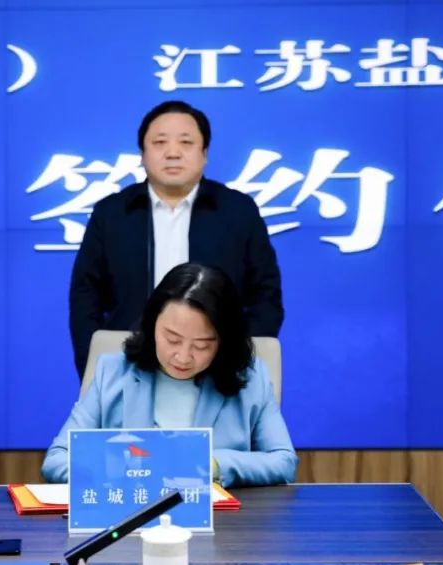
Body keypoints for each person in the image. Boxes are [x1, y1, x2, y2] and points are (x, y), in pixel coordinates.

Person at [68, 100, 283, 378]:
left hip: (217, 366)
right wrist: (96, 366)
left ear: (204, 153)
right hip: (128, 365)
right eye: (159, 142)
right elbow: (85, 296)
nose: (172, 153)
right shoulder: (112, 213)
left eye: (186, 142)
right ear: (142, 154)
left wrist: (239, 361)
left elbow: (266, 294)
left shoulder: (238, 211)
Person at [43, 263, 295, 487]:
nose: (183, 357)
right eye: (172, 339)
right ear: (152, 324)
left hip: (220, 521)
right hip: (128, 516)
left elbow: (283, 461)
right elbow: (57, 459)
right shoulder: (112, 372)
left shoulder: (251, 379)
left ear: (223, 341)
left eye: (202, 345)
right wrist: (122, 471)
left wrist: (214, 464)